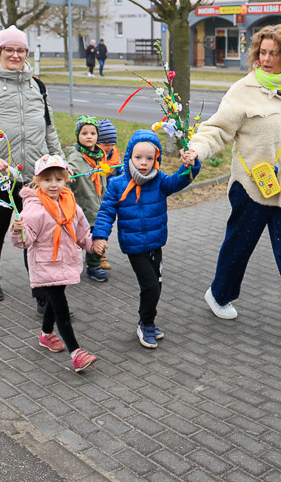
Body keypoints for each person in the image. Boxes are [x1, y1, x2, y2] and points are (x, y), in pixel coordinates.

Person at [182, 24, 281, 344]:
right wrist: (196, 149)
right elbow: (216, 129)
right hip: (251, 188)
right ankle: (218, 294)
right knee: (238, 248)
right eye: (262, 52)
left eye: (274, 53)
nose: (266, 59)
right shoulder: (243, 90)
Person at [0, 25, 63, 301]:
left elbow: (49, 129)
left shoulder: (38, 87)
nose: (15, 55)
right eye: (10, 49)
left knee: (38, 235)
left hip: (33, 177)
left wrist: (59, 161)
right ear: (0, 51)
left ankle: (43, 293)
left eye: (21, 50)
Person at [92, 129, 200, 349]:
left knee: (157, 286)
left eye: (149, 158)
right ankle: (146, 323)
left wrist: (189, 166)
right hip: (134, 247)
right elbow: (105, 212)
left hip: (155, 243)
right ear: (129, 156)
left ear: (156, 159)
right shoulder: (117, 184)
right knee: (150, 286)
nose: (143, 163)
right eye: (138, 157)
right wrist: (100, 236)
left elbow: (179, 181)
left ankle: (146, 320)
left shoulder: (160, 181)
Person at [10, 154, 98, 373]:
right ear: (37, 181)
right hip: (44, 264)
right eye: (47, 179)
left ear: (66, 179)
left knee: (54, 300)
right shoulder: (34, 209)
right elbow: (26, 241)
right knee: (61, 307)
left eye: (58, 179)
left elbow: (81, 230)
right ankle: (76, 353)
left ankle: (46, 335)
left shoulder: (71, 204)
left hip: (66, 261)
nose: (53, 184)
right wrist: (18, 230)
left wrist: (91, 245)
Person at [66, 116, 110, 282]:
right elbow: (70, 174)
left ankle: (94, 266)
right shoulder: (76, 158)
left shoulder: (99, 156)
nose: (89, 136)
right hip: (82, 207)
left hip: (98, 206)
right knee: (77, 241)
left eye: (92, 133)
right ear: (78, 135)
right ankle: (72, 266)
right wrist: (67, 175)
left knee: (97, 237)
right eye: (84, 133)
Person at [95, 117, 121, 270]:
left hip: (108, 198)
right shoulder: (94, 158)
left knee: (102, 226)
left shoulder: (116, 157)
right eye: (105, 144)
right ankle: (91, 256)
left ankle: (101, 255)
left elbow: (119, 176)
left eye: (112, 144)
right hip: (92, 197)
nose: (109, 147)